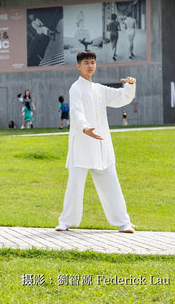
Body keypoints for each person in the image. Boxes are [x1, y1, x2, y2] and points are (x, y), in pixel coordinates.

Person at [55, 50, 136, 234]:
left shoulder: (100, 89)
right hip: (82, 144)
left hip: (101, 145)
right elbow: (76, 112)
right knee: (74, 184)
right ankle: (65, 221)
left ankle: (124, 223)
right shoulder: (76, 88)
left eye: (93, 62)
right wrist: (84, 128)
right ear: (78, 66)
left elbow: (121, 97)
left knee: (111, 183)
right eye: (86, 63)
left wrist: (130, 86)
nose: (90, 66)